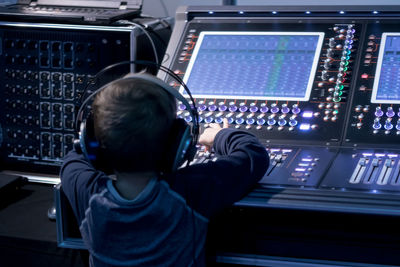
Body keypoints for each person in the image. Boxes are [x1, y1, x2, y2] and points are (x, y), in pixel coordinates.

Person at [60, 76, 269, 267]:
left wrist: (89, 140)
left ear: (94, 143)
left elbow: (74, 156)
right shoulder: (190, 191)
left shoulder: (86, 191)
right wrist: (220, 136)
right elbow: (253, 154)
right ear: (178, 146)